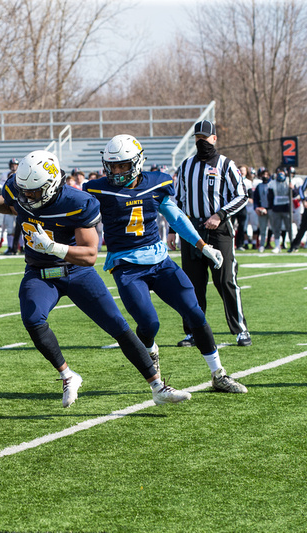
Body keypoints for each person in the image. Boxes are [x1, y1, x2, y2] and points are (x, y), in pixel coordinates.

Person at [0, 150, 191, 408]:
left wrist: (54, 248)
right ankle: (68, 375)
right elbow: (13, 205)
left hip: (75, 270)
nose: (27, 196)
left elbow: (90, 254)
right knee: (33, 319)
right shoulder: (22, 186)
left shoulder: (77, 201)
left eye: (33, 191)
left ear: (52, 184)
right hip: (40, 272)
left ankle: (157, 386)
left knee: (117, 325)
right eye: (23, 190)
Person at [86, 135, 247, 393]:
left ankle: (218, 374)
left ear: (137, 163)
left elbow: (176, 218)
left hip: (160, 261)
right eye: (112, 166)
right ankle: (152, 359)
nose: (116, 172)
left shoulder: (156, 184)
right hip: (126, 265)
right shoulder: (96, 189)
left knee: (194, 312)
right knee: (149, 324)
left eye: (123, 166)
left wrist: (203, 247)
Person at [169, 120, 251, 347]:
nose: (201, 142)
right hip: (192, 231)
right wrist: (171, 230)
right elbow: (176, 201)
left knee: (225, 280)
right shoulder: (185, 166)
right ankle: (194, 332)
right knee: (192, 284)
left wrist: (220, 215)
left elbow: (242, 195)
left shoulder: (226, 164)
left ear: (214, 138)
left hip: (219, 231)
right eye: (198, 139)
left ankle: (240, 330)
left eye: (205, 138)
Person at [267, 170, 294, 252]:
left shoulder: (289, 181)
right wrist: (271, 207)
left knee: (289, 228)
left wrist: (292, 189)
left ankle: (292, 245)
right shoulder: (272, 183)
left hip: (286, 208)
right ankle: (277, 246)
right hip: (276, 208)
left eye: (282, 173)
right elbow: (270, 196)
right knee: (276, 228)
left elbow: (295, 194)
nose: (280, 175)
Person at [252, 167, 272, 252]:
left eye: (267, 174)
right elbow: (255, 199)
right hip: (262, 209)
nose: (265, 176)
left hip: (271, 209)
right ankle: (262, 245)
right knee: (262, 228)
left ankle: (274, 244)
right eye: (264, 174)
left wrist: (270, 208)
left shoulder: (272, 185)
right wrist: (256, 208)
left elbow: (273, 198)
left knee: (274, 228)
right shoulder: (259, 186)